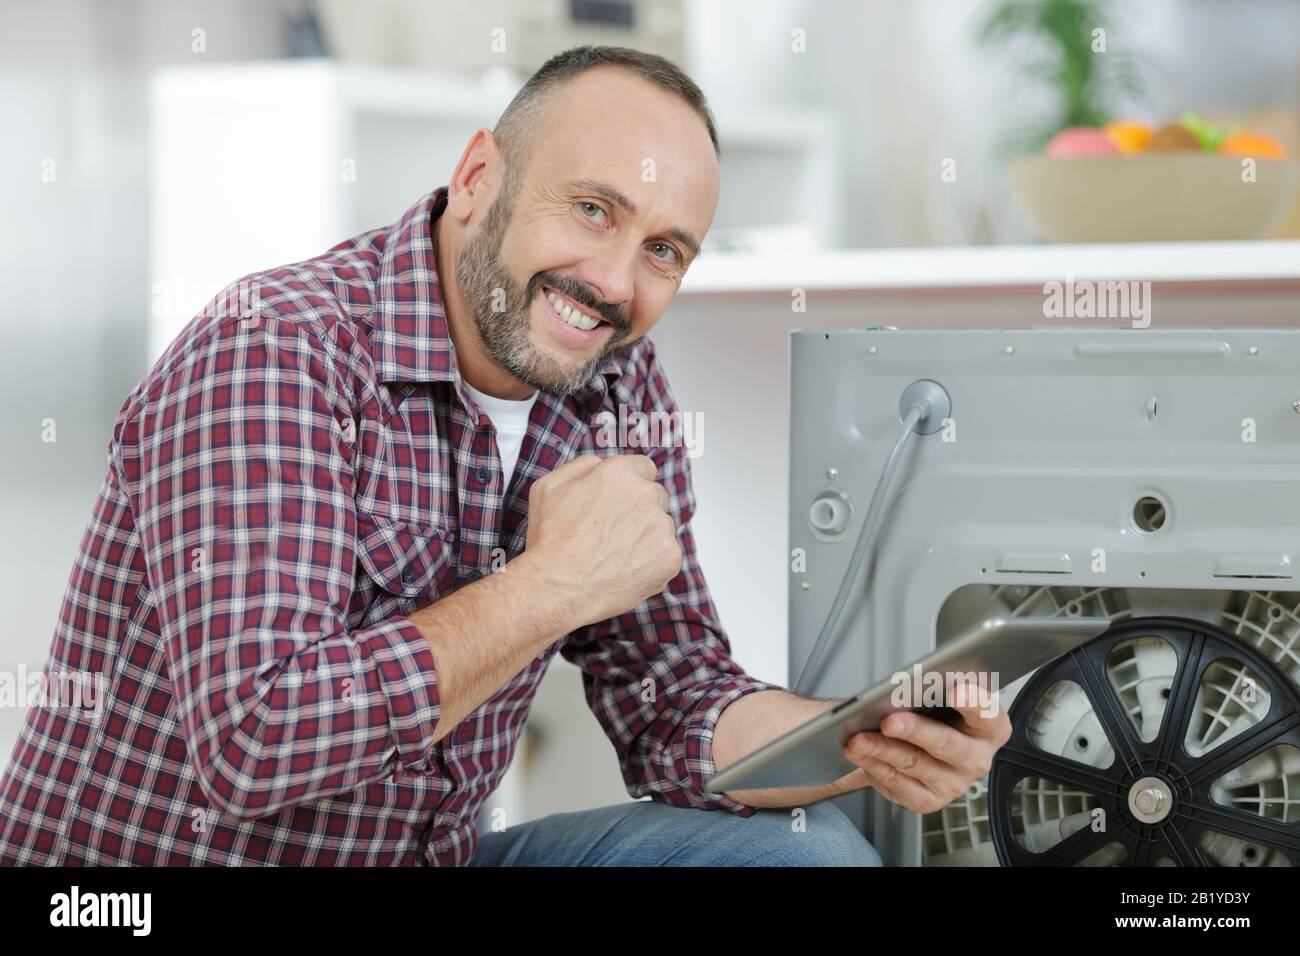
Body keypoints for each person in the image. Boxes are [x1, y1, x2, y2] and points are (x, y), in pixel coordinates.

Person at [0, 45, 1009, 867]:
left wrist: (861, 735)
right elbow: (257, 740)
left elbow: (671, 699)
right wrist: (553, 582)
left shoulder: (614, 384)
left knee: (809, 855)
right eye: (592, 209)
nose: (615, 280)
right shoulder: (276, 346)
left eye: (664, 248)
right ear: (480, 177)